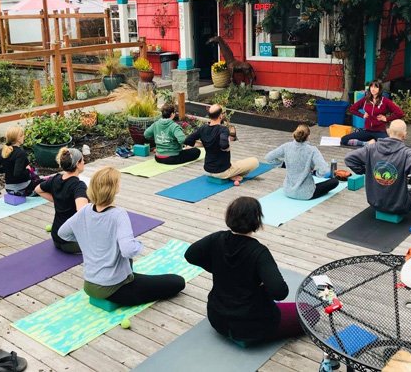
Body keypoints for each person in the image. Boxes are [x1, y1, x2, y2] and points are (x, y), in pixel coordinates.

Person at [184, 197, 304, 346]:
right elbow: (280, 292)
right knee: (309, 312)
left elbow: (190, 255)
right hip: (251, 327)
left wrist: (218, 269)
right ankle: (246, 339)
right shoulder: (259, 252)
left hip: (217, 319)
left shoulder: (216, 238)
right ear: (257, 221)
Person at [58, 166, 185, 305]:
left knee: (132, 269)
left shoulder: (85, 210)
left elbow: (62, 233)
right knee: (177, 281)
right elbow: (129, 250)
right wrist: (139, 244)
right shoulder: (118, 214)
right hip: (113, 288)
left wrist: (89, 241)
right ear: (113, 188)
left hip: (89, 285)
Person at [344, 120, 411, 214]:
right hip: (399, 206)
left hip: (374, 203)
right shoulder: (407, 153)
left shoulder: (371, 148)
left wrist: (367, 171)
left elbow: (348, 158)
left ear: (388, 131)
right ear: (404, 135)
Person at [183, 104, 258, 185]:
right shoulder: (223, 129)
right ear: (220, 116)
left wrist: (206, 144)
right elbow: (224, 145)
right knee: (254, 161)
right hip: (222, 171)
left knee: (234, 163)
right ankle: (231, 175)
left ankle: (231, 174)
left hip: (208, 169)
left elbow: (187, 140)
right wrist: (227, 147)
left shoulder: (202, 128)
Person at [34, 147, 89, 253]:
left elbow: (38, 190)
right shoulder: (79, 185)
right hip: (71, 242)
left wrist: (59, 200)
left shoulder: (56, 179)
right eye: (83, 160)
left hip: (56, 238)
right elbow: (83, 212)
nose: (84, 162)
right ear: (78, 164)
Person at [265, 124, 339, 200]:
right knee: (334, 182)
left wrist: (283, 164)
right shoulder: (312, 150)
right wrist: (315, 173)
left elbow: (268, 158)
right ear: (308, 136)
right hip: (306, 194)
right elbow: (324, 170)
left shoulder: (286, 146)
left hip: (288, 191)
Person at [341, 80, 405, 147]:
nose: (373, 89)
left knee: (389, 146)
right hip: (367, 131)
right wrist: (362, 115)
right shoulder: (365, 100)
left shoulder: (385, 101)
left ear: (380, 89)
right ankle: (366, 144)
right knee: (344, 139)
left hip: (379, 132)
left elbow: (400, 113)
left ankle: (374, 142)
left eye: (375, 87)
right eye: (371, 87)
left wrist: (386, 119)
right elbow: (352, 109)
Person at [0, 126, 42, 196]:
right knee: (48, 182)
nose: (24, 136)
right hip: (23, 189)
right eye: (22, 135)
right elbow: (17, 174)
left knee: (40, 178)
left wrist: (8, 169)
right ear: (18, 139)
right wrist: (28, 170)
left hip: (9, 189)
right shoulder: (20, 153)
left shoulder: (2, 151)